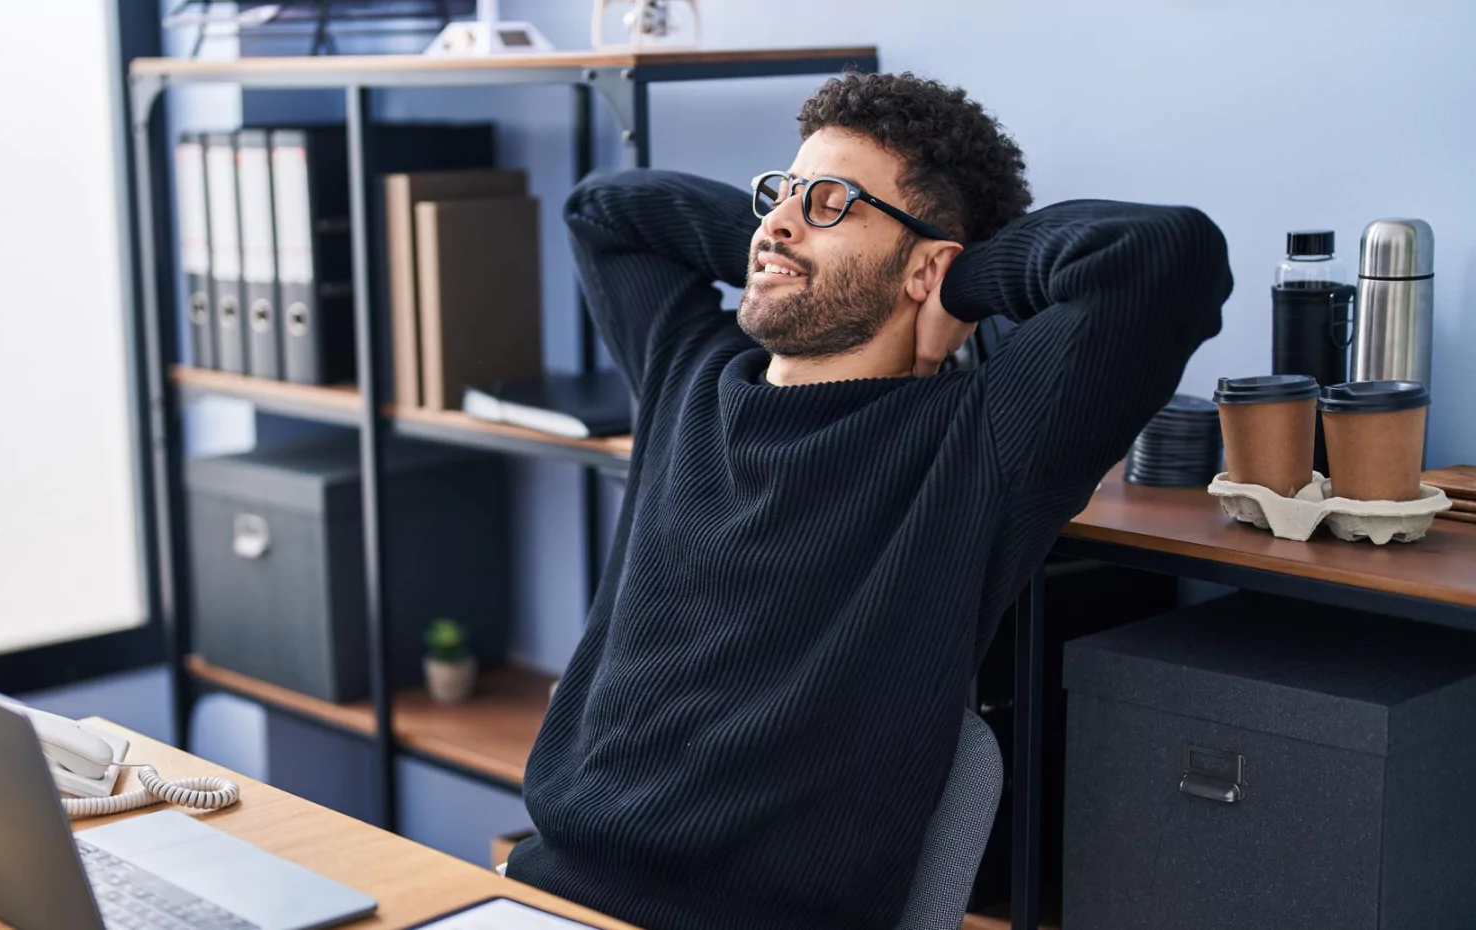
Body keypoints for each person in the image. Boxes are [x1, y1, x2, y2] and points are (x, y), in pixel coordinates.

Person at [502, 71, 1233, 930]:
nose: (776, 219)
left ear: (925, 262)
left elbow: (1167, 256)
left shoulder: (983, 441)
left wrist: (957, 281)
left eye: (832, 202)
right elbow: (605, 210)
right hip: (544, 891)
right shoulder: (688, 373)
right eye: (782, 190)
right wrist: (801, 231)